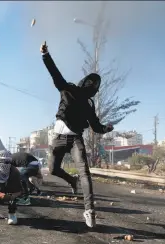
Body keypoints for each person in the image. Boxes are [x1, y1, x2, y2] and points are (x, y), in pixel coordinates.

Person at [41, 41, 114, 228]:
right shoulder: (68, 88)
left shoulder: (89, 104)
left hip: (75, 139)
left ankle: (90, 210)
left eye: (94, 84)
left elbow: (96, 126)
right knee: (52, 169)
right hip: (57, 138)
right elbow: (55, 74)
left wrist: (107, 128)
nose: (92, 85)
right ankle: (71, 180)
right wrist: (46, 55)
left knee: (85, 172)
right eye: (91, 82)